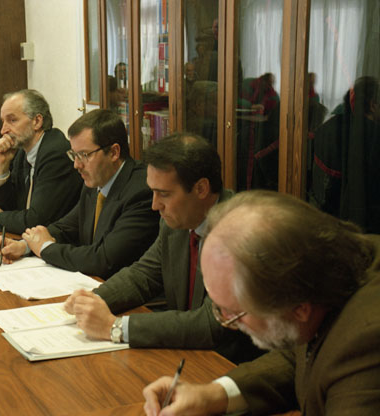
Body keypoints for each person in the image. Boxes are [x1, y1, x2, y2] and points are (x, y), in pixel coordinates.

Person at [142, 190, 380, 416]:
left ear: (299, 309)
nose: (225, 322)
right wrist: (210, 395)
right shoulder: (319, 280)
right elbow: (296, 355)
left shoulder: (365, 342)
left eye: (235, 314)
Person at [64, 133, 262, 363]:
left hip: (229, 364)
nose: (155, 205)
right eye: (153, 192)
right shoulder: (177, 221)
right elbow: (143, 275)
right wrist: (92, 300)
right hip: (184, 353)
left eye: (164, 194)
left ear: (201, 188)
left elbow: (211, 323)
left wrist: (115, 326)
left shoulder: (241, 232)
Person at [0, 109, 159, 278]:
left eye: (84, 155)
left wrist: (44, 248)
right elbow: (66, 228)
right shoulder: (95, 180)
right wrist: (25, 245)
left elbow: (103, 259)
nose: (76, 165)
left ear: (114, 152)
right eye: (74, 155)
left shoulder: (142, 192)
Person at [0, 89, 82, 234]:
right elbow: (3, 207)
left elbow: (36, 221)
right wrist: (1, 167)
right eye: (3, 121)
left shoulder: (55, 153)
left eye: (12, 120)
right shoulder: (22, 152)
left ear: (37, 121)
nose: (3, 130)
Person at [310, 76, 380, 234]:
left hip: (320, 218)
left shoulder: (328, 126)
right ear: (373, 105)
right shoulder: (374, 137)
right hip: (359, 229)